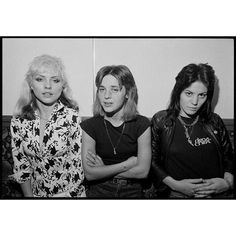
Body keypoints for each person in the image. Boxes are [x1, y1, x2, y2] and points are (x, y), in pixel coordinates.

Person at [151, 63, 234, 198]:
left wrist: (227, 183)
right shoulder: (161, 120)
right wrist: (175, 186)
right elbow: (153, 162)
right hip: (175, 196)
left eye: (202, 95)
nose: (195, 102)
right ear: (178, 91)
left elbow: (229, 158)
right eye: (189, 93)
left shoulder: (215, 121)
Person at [10, 54, 85, 197]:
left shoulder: (72, 117)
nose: (48, 86)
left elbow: (77, 168)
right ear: (31, 84)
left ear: (62, 85)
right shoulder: (19, 120)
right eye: (40, 79)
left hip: (70, 195)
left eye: (55, 80)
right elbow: (21, 165)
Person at [80, 65, 151, 198]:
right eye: (102, 89)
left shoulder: (142, 124)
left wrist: (103, 169)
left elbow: (143, 171)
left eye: (114, 89)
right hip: (100, 190)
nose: (106, 96)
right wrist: (127, 165)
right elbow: (90, 174)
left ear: (128, 93)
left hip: (132, 190)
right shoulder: (90, 126)